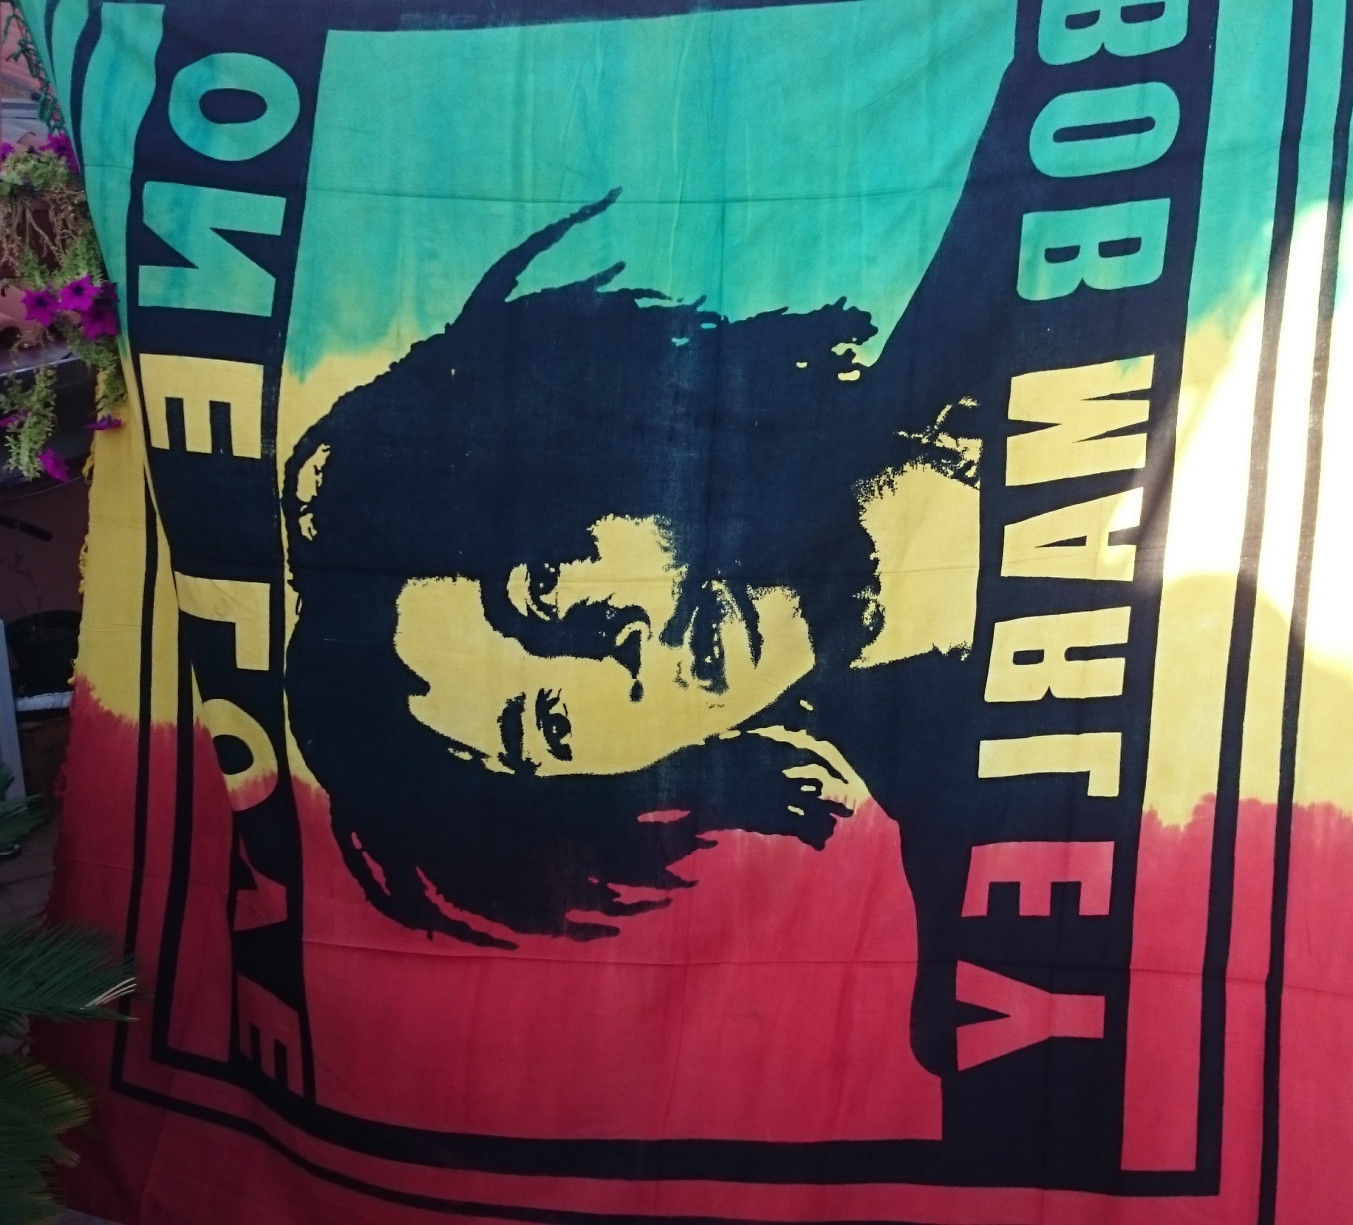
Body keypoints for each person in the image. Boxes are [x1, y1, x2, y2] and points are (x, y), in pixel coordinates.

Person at [284, 192, 980, 949]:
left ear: (588, 444)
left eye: (543, 588)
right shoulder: (974, 857)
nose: (620, 653)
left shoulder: (1004, 254)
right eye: (551, 723)